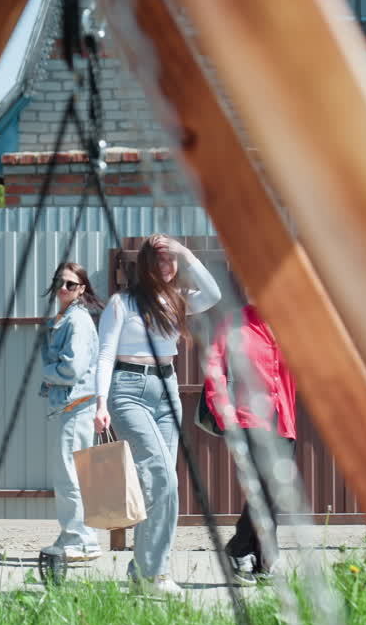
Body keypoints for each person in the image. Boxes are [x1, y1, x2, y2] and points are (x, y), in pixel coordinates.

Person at [94, 234, 221, 596]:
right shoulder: (123, 303)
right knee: (162, 479)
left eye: (172, 261)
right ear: (145, 266)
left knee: (162, 486)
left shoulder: (177, 301)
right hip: (128, 390)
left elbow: (213, 293)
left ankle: (144, 572)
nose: (167, 268)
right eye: (160, 261)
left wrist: (184, 251)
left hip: (167, 389)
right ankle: (155, 576)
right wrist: (99, 403)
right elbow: (104, 355)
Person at [203, 303, 299, 585]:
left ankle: (252, 554)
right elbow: (214, 366)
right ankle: (249, 551)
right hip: (248, 418)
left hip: (283, 418)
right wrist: (223, 410)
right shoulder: (234, 322)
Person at [38, 262, 104, 562]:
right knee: (73, 474)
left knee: (68, 476)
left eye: (71, 284)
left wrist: (47, 372)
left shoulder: (76, 321)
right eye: (60, 283)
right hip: (72, 405)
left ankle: (78, 540)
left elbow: (72, 369)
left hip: (74, 405)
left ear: (82, 289)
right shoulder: (66, 318)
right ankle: (77, 537)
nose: (63, 289)